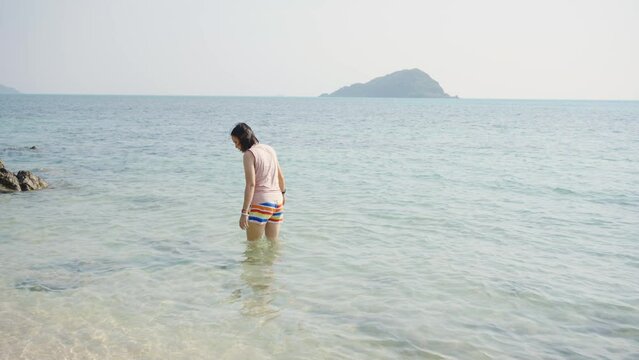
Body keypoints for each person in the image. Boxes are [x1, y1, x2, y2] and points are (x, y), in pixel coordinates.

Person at [231, 123, 286, 241]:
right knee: (273, 245)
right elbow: (280, 176)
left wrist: (244, 212)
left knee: (252, 247)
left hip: (261, 203)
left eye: (236, 142)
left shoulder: (249, 154)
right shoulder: (270, 149)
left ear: (243, 139)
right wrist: (283, 194)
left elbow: (251, 184)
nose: (236, 146)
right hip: (277, 203)